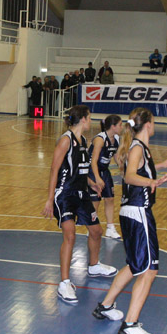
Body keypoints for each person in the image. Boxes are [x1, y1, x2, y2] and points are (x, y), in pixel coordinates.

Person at [92, 107, 167, 334]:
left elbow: (137, 167)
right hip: (139, 212)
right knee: (149, 270)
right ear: (148, 124)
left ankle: (106, 306)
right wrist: (152, 181)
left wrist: (161, 166)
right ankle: (130, 324)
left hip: (130, 212)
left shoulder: (138, 147)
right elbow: (130, 175)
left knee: (133, 265)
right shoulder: (138, 147)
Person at [42, 105, 118, 304]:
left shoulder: (83, 140)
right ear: (83, 119)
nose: (91, 120)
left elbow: (80, 170)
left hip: (82, 193)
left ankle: (93, 265)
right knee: (70, 235)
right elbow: (54, 170)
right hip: (64, 195)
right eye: (89, 117)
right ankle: (64, 283)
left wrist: (92, 183)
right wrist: (50, 199)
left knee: (96, 231)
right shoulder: (66, 140)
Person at [89, 115, 123, 240]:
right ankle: (92, 228)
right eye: (120, 124)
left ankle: (110, 228)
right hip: (93, 171)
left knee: (110, 199)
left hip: (104, 170)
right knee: (95, 201)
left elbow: (116, 155)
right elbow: (93, 161)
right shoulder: (100, 139)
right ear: (113, 127)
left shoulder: (117, 138)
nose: (122, 127)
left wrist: (121, 167)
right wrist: (97, 178)